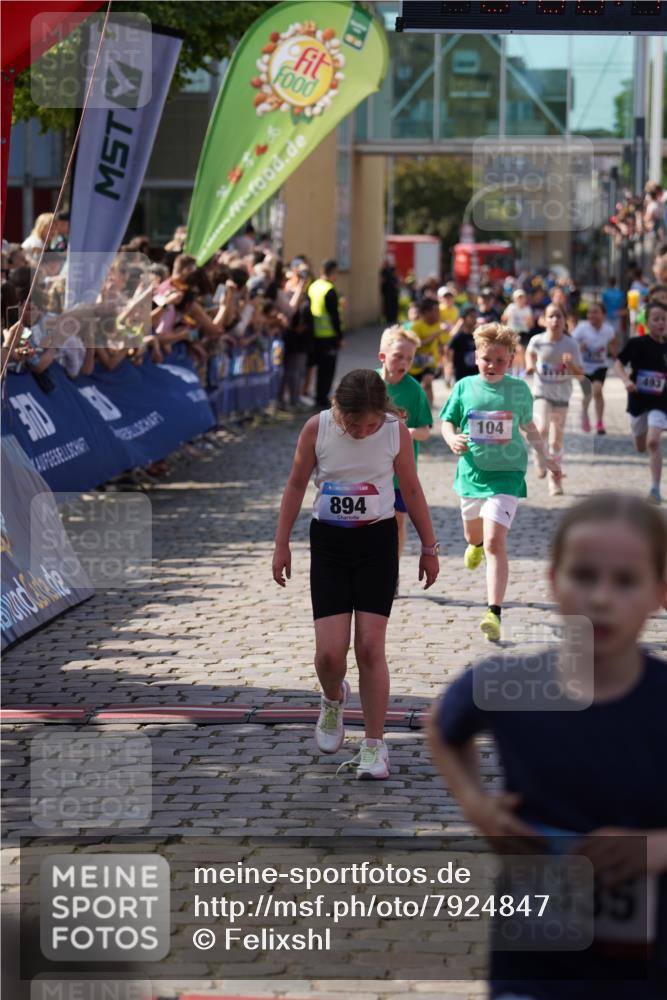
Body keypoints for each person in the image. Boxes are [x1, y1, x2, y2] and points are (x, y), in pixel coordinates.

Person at [427, 492, 667, 1000]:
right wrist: (477, 807)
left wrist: (656, 848)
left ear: (658, 592)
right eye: (584, 576)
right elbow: (442, 728)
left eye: (625, 582)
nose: (601, 598)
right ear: (554, 582)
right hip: (531, 970)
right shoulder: (509, 684)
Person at [272, 369, 439, 779]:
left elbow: (412, 489)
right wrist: (281, 543)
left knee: (369, 647)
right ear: (338, 411)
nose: (364, 431)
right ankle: (333, 699)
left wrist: (429, 547)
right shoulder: (318, 429)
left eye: (371, 423)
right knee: (330, 653)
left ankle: (374, 746)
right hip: (329, 545)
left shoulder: (394, 430)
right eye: (355, 424)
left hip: (376, 544)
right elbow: (295, 485)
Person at [440, 323, 560, 641]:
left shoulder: (518, 390)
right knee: (474, 534)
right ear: (476, 357)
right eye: (486, 359)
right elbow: (447, 420)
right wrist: (452, 438)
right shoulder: (465, 387)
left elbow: (529, 426)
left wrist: (545, 456)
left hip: (507, 475)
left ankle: (493, 611)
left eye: (500, 360)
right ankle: (474, 544)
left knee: (496, 541)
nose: (492, 366)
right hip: (472, 474)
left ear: (511, 360)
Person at [377, 325, 432, 586]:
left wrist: (409, 432)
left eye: (409, 359)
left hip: (400, 475)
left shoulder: (414, 391)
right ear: (382, 356)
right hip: (370, 471)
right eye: (399, 356)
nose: (404, 363)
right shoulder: (369, 385)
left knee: (397, 523)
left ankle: (391, 572)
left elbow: (425, 430)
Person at [525, 303, 584, 496]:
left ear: (565, 320)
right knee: (541, 428)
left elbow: (580, 375)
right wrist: (530, 365)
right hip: (542, 392)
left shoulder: (571, 344)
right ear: (544, 320)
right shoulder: (537, 340)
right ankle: (538, 455)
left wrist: (571, 365)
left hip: (562, 396)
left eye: (559, 316)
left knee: (556, 441)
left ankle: (555, 480)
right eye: (551, 316)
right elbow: (530, 354)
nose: (555, 320)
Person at [614, 300, 667, 505]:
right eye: (656, 319)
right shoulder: (637, 344)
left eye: (663, 319)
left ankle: (655, 489)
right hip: (638, 400)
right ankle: (641, 440)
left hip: (661, 401)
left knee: (653, 441)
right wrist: (626, 381)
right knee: (640, 445)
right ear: (647, 321)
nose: (660, 323)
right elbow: (619, 364)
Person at [573, 302, 617, 435]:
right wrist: (580, 348)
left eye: (596, 312)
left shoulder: (608, 330)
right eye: (590, 312)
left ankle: (599, 423)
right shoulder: (581, 328)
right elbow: (572, 345)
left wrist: (615, 354)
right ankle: (585, 413)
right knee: (588, 393)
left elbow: (613, 344)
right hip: (584, 367)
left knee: (597, 390)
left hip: (600, 366)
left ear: (603, 315)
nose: (592, 315)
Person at [308, 258, 343, 410]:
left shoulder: (313, 286)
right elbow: (334, 316)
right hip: (328, 336)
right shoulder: (329, 289)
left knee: (318, 368)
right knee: (327, 370)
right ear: (332, 272)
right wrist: (340, 336)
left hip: (314, 335)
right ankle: (322, 398)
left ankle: (318, 396)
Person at [408, 297, 444, 406]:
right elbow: (415, 344)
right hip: (415, 364)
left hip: (430, 362)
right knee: (415, 387)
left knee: (427, 383)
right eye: (436, 311)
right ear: (426, 312)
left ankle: (429, 408)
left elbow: (441, 342)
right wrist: (433, 337)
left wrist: (441, 349)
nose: (438, 314)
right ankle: (416, 406)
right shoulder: (416, 326)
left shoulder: (438, 325)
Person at [446, 305, 479, 383]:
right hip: (461, 376)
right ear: (464, 318)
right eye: (471, 316)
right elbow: (449, 356)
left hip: (476, 375)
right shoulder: (458, 338)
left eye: (475, 316)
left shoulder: (478, 336)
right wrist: (449, 374)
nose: (474, 319)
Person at [379, 258, 400, 326]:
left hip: (393, 292)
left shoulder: (390, 270)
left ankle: (393, 318)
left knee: (393, 305)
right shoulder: (384, 271)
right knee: (388, 306)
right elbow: (382, 281)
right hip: (387, 292)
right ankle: (389, 319)